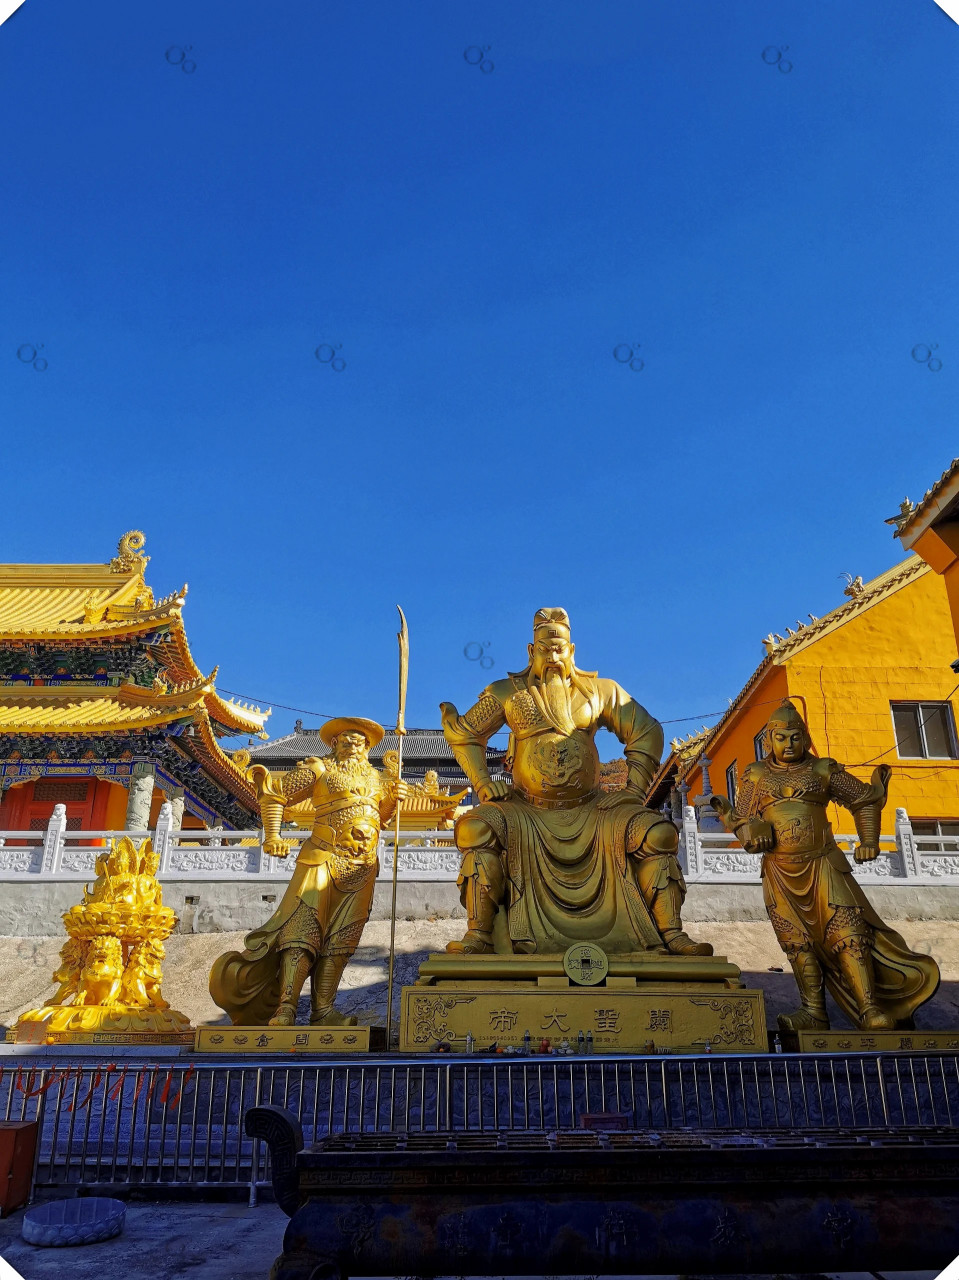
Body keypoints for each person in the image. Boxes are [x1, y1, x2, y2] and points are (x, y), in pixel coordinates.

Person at [440, 607, 711, 956]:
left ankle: (671, 932)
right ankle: (479, 935)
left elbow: (646, 731)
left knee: (659, 834)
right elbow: (464, 735)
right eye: (544, 647)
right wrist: (482, 783)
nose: (553, 655)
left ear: (572, 650)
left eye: (560, 648)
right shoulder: (507, 692)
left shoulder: (601, 690)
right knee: (472, 830)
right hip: (526, 812)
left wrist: (633, 792)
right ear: (531, 650)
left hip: (594, 812)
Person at [712, 700, 939, 1031]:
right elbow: (742, 818)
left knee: (847, 934)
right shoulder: (757, 775)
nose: (788, 745)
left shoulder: (822, 770)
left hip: (823, 864)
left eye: (795, 737)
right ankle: (813, 1012)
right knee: (796, 942)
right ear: (768, 741)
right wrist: (749, 831)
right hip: (779, 870)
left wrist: (870, 841)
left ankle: (869, 1008)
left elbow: (864, 799)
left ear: (805, 738)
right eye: (781, 738)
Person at [209, 717, 405, 1026]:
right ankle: (286, 1006)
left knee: (342, 939)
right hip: (322, 858)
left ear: (369, 747)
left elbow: (381, 818)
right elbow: (275, 793)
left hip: (362, 867)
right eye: (346, 739)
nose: (353, 744)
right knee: (302, 932)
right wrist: (273, 835)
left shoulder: (377, 779)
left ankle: (323, 1010)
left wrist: (393, 798)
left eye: (360, 740)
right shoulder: (319, 768)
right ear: (334, 743)